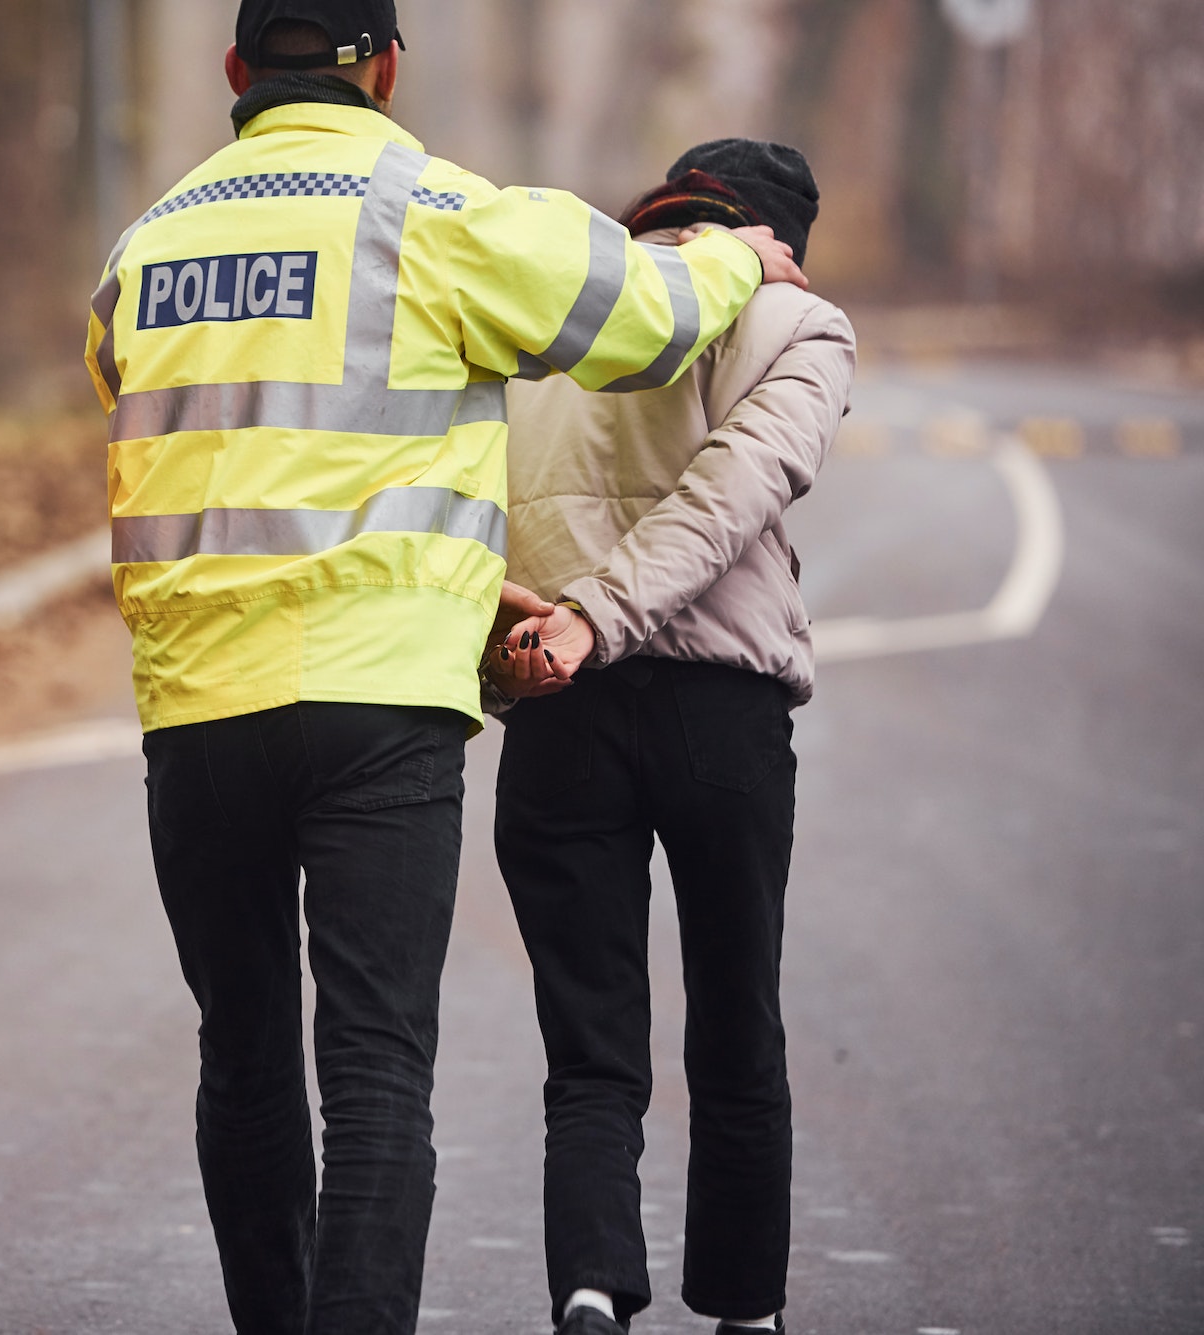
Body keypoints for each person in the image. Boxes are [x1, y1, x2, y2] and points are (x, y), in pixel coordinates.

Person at [84, 6, 809, 1328]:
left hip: (196, 709)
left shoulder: (145, 248)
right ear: (388, 66)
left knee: (242, 1062)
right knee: (371, 1068)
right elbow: (645, 322)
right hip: (379, 705)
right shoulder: (435, 213)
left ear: (237, 71)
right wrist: (734, 257)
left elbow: (184, 429)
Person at [488, 140, 856, 1335]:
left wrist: (551, 628)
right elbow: (731, 494)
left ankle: (591, 1289)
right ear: (780, 246)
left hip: (559, 707)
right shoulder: (802, 329)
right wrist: (602, 617)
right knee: (736, 1022)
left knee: (586, 1042)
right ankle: (744, 1313)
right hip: (717, 713)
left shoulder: (564, 316)